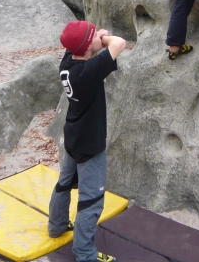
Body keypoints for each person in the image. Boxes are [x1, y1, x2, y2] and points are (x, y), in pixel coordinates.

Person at [48, 20, 126, 262]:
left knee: (64, 184)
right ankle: (85, 253)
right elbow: (120, 43)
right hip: (90, 144)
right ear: (85, 47)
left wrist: (94, 40)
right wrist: (104, 40)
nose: (98, 37)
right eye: (93, 36)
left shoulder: (68, 63)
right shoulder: (89, 72)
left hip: (73, 136)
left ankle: (57, 226)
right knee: (91, 201)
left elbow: (82, 48)